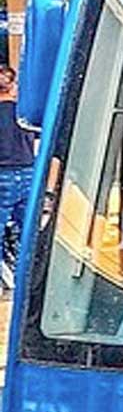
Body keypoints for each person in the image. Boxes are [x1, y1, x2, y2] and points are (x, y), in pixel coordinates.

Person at [0, 66, 36, 289]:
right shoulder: (25, 115)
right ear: (13, 86)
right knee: (28, 230)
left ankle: (3, 279)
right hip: (29, 172)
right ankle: (28, 277)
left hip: (2, 174)